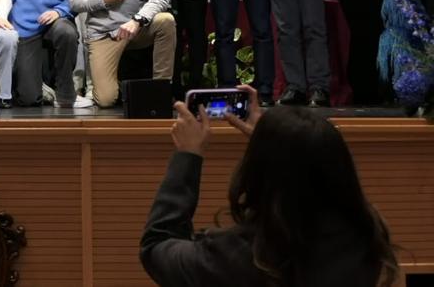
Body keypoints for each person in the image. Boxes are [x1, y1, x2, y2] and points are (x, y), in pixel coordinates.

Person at [141, 85, 398, 287]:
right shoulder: (365, 236)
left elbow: (157, 246)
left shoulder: (238, 256)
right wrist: (273, 142)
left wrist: (188, 155)